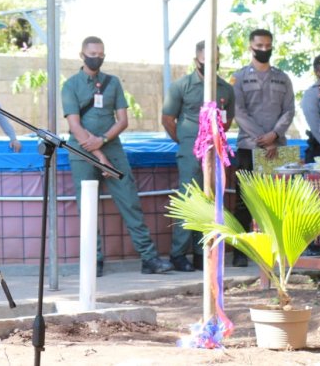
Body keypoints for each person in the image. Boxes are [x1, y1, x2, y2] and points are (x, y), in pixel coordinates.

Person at [62, 36, 173, 277]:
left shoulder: (112, 83)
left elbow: (122, 120)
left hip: (112, 148)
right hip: (81, 152)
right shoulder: (70, 85)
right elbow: (75, 125)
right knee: (87, 206)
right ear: (82, 55)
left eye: (101, 54)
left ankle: (149, 257)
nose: (97, 58)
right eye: (92, 53)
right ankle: (94, 260)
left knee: (130, 201)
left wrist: (102, 142)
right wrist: (98, 153)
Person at [161, 41, 235, 271]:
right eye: (206, 61)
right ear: (196, 61)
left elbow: (227, 120)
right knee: (188, 197)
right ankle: (179, 254)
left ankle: (203, 252)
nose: (211, 65)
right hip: (190, 150)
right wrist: (187, 140)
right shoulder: (181, 86)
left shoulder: (225, 89)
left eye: (215, 61)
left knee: (211, 199)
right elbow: (168, 119)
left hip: (215, 152)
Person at [231, 28, 295, 266]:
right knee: (244, 200)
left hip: (278, 148)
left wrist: (275, 135)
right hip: (249, 146)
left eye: (268, 46)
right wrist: (262, 138)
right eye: (259, 46)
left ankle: (277, 248)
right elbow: (238, 112)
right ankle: (241, 252)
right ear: (251, 47)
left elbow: (289, 110)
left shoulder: (282, 78)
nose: (264, 50)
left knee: (277, 201)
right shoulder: (238, 78)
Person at [300, 54, 320, 256]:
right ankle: (311, 244)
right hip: (319, 153)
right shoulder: (311, 95)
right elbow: (317, 130)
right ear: (317, 71)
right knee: (316, 201)